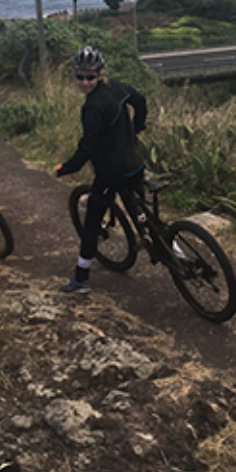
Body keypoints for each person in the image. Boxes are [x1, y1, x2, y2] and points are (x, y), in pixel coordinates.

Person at [55, 47, 148, 294]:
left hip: (110, 173)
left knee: (92, 222)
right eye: (80, 77)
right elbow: (140, 101)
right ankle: (173, 252)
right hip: (136, 161)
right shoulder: (117, 87)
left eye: (90, 77)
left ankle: (81, 279)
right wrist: (137, 127)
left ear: (100, 73)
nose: (84, 82)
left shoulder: (92, 107)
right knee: (143, 216)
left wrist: (67, 168)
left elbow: (88, 147)